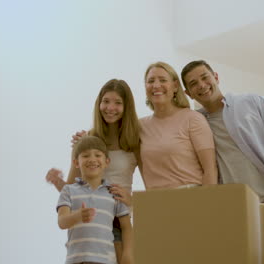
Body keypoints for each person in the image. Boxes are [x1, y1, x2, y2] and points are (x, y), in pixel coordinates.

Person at [181, 60, 264, 264]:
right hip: (232, 214)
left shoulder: (253, 102)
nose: (201, 85)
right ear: (188, 93)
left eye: (205, 77)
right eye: (193, 84)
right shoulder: (196, 123)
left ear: (216, 77)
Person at [46, 79, 140, 263]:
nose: (110, 107)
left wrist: (132, 201)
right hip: (90, 219)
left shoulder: (134, 140)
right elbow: (73, 188)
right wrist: (58, 181)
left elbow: (151, 183)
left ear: (126, 107)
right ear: (99, 104)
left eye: (118, 102)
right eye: (106, 101)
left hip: (118, 217)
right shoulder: (88, 139)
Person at [139, 61, 217, 189]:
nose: (156, 85)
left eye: (163, 80)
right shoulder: (140, 126)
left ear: (175, 86)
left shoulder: (193, 119)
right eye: (151, 81)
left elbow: (210, 169)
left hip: (190, 200)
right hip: (155, 202)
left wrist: (207, 205)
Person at [57, 135, 133, 264]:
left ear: (106, 162)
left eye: (97, 155)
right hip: (75, 260)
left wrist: (127, 254)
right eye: (86, 156)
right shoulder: (68, 191)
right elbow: (62, 222)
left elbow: (126, 227)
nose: (92, 159)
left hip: (106, 261)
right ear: (76, 162)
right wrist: (77, 216)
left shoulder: (113, 192)